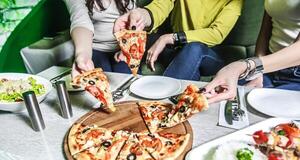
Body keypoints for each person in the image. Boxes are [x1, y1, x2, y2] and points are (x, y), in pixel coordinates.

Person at [113, 0, 243, 81]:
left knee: (194, 48)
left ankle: (163, 107)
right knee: (129, 47)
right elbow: (160, 6)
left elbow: (216, 33)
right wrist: (142, 16)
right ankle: (127, 102)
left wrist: (169, 38)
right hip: (176, 50)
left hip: (208, 53)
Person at [204, 0, 300, 104]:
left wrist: (247, 66)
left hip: (296, 75)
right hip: (268, 68)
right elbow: (265, 32)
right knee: (221, 97)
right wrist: (258, 73)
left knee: (269, 113)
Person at [64, 0, 136, 78]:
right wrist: (83, 54)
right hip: (95, 49)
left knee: (126, 77)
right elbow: (80, 21)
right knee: (102, 79)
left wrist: (128, 46)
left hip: (124, 47)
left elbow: (135, 19)